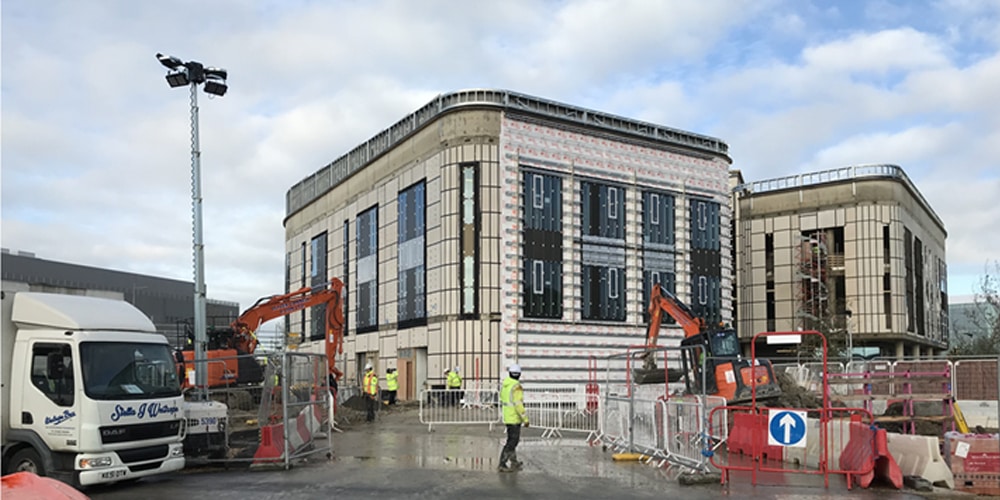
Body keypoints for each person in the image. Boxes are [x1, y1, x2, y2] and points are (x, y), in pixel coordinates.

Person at [498, 364, 528, 472]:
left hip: (507, 416)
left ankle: (514, 461)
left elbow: (501, 397)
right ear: (519, 374)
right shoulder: (517, 387)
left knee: (512, 439)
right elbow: (518, 404)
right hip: (514, 417)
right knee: (512, 441)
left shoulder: (505, 385)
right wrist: (525, 419)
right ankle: (502, 463)